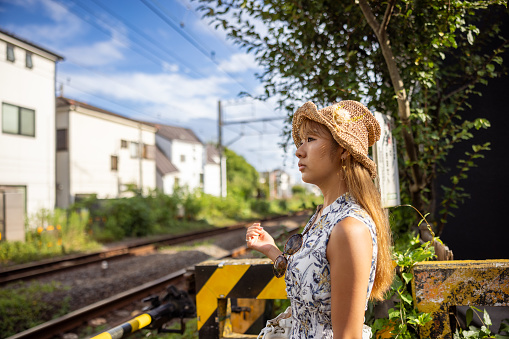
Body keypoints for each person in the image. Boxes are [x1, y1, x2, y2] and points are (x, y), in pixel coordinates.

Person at [246, 100, 394, 339]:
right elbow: (316, 275)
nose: (299, 151)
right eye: (301, 141)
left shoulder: (349, 228)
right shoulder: (324, 216)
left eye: (311, 140)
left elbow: (347, 336)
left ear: (344, 150)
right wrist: (272, 251)